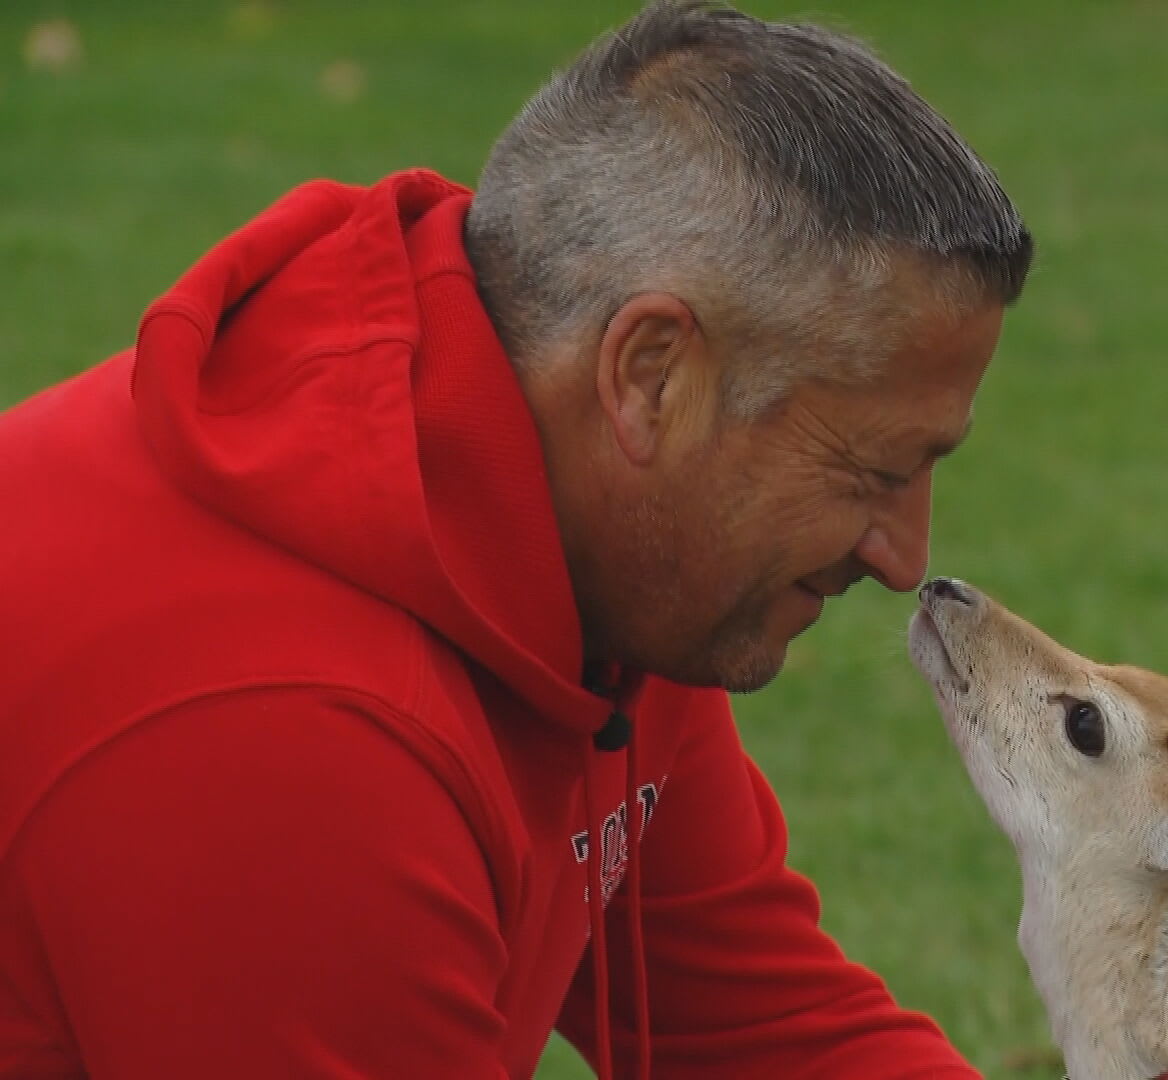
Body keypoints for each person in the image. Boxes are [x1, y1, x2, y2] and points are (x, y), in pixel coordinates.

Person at [0, 2, 1032, 1076]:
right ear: (651, 376)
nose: (904, 557)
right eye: (871, 472)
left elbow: (773, 1034)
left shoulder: (615, 557)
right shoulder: (289, 735)